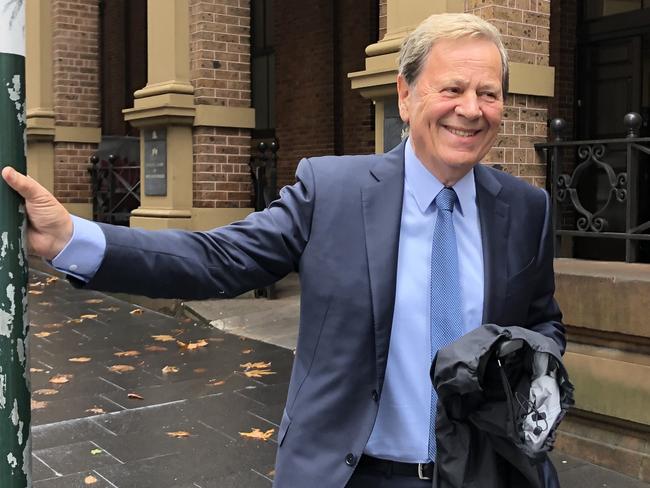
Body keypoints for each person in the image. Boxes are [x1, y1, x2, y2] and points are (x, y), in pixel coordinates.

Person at [2, 13, 564, 488]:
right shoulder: (333, 192)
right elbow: (215, 259)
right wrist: (72, 238)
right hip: (354, 472)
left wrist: (531, 367)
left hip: (486, 471)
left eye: (488, 93)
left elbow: (543, 323)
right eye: (452, 88)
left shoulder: (525, 209)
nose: (471, 109)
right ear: (406, 93)